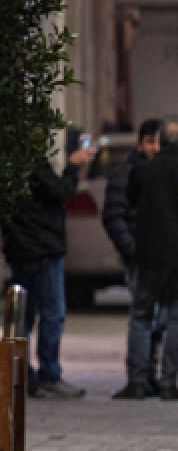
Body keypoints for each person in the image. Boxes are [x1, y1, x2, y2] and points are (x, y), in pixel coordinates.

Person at [114, 120, 178, 401]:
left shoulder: (143, 171)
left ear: (159, 141)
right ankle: (168, 384)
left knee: (141, 317)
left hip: (148, 257)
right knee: (176, 319)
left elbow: (132, 205)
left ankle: (136, 382)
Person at [2, 144, 97, 399]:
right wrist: (73, 166)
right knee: (52, 314)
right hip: (42, 250)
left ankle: (20, 374)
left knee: (23, 315)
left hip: (20, 249)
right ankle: (48, 375)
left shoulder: (10, 166)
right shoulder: (33, 164)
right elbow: (61, 191)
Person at [101, 118, 163, 396]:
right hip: (140, 258)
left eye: (159, 142)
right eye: (150, 142)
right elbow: (113, 215)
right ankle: (139, 377)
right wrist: (130, 250)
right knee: (143, 316)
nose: (155, 148)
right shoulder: (126, 174)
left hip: (158, 257)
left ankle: (148, 375)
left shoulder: (160, 172)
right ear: (141, 143)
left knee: (156, 320)